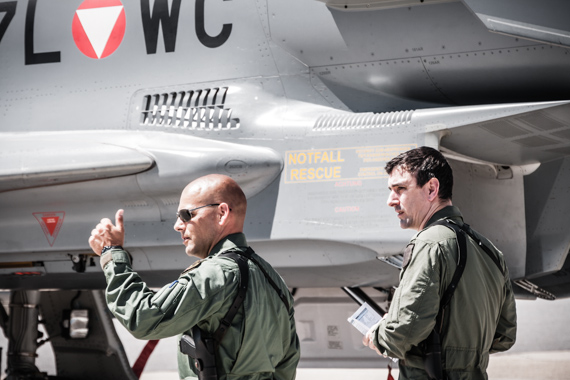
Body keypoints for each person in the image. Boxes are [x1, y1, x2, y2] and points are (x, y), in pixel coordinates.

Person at [88, 174, 300, 380]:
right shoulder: (274, 280)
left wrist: (111, 253)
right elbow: (287, 364)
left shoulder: (215, 274)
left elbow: (142, 318)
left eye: (187, 215)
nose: (178, 225)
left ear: (222, 213)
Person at [363, 146, 517, 379]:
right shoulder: (491, 252)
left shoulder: (428, 244)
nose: (390, 200)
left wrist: (378, 335)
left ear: (432, 189)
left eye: (400, 189)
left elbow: (403, 333)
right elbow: (505, 335)